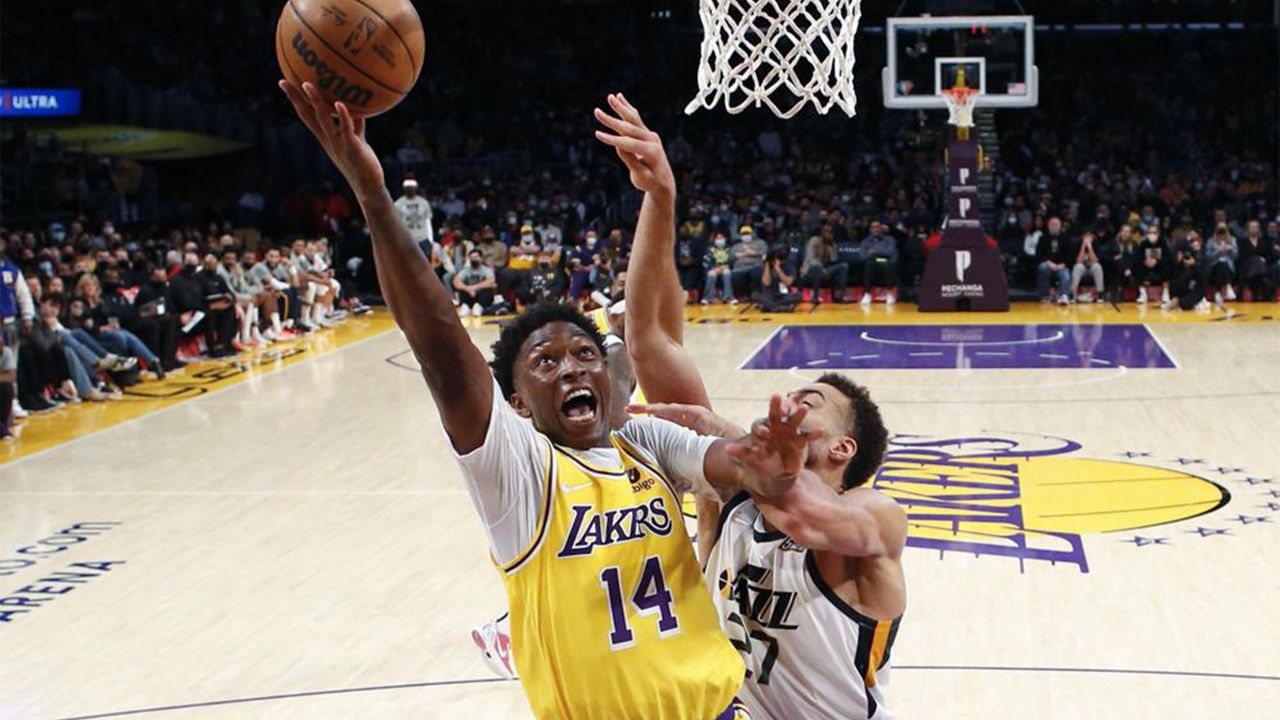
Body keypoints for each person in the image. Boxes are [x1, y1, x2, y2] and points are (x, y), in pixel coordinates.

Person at [277, 80, 815, 720]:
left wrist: (772, 464)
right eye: (546, 362)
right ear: (518, 403)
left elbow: (739, 465)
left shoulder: (646, 443)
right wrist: (373, 195)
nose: (570, 368)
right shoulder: (520, 473)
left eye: (585, 354)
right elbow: (442, 346)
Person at [599, 94, 907, 720]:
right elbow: (650, 340)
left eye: (810, 402)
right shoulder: (733, 497)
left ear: (843, 449)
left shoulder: (873, 518)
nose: (789, 402)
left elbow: (807, 521)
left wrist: (724, 437)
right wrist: (660, 199)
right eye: (790, 393)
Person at [801, 227, 850, 303]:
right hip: (809, 270)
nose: (828, 234)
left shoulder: (832, 244)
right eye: (826, 231)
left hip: (825, 271)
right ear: (822, 232)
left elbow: (834, 260)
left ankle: (840, 295)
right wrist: (821, 269)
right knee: (816, 266)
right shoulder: (814, 240)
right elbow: (810, 258)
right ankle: (815, 297)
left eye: (830, 232)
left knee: (843, 266)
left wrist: (830, 248)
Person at [1035, 217, 1074, 304]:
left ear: (1060, 226)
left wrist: (1062, 265)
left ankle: (1064, 296)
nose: (1054, 226)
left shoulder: (1066, 238)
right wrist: (1049, 263)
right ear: (1048, 226)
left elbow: (1071, 256)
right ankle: (1045, 296)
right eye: (1052, 224)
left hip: (1062, 266)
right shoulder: (1043, 238)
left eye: (1056, 224)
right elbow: (1038, 255)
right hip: (1048, 265)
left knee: (1066, 275)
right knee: (1042, 267)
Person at [859, 220, 899, 306]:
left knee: (887, 264)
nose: (875, 229)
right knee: (869, 264)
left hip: (886, 264)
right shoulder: (865, 242)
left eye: (877, 227)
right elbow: (862, 257)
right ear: (870, 229)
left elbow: (890, 253)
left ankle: (889, 294)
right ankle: (867, 294)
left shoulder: (890, 240)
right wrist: (880, 254)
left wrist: (873, 253)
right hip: (872, 264)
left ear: (881, 228)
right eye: (873, 227)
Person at [393, 176, 434, 255]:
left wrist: (430, 241)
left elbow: (428, 223)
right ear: (404, 189)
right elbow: (396, 225)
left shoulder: (424, 203)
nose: (410, 189)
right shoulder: (398, 204)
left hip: (423, 239)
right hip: (406, 241)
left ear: (416, 188)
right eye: (408, 188)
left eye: (412, 187)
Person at [1135, 224, 1172, 306]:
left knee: (1167, 265)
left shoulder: (1163, 242)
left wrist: (1157, 261)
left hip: (1159, 266)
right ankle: (1142, 293)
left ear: (1158, 234)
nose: (1152, 234)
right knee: (1136, 266)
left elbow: (1167, 256)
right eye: (1150, 232)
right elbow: (1138, 256)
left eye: (1154, 232)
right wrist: (1145, 261)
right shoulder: (1143, 243)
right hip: (1146, 266)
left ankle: (1166, 293)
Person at [452, 248, 496, 317]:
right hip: (469, 295)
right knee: (461, 289)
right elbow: (456, 281)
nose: (474, 259)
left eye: (476, 257)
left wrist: (474, 287)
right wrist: (467, 288)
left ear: (481, 258)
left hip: (481, 296)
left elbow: (491, 281)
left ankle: (479, 308)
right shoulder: (466, 270)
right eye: (471, 258)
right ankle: (466, 307)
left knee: (488, 290)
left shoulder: (486, 270)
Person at [730, 226, 767, 300]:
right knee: (735, 277)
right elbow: (732, 256)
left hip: (755, 265)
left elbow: (764, 255)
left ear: (752, 234)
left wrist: (754, 253)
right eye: (744, 234)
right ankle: (744, 295)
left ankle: (757, 294)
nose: (746, 236)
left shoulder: (760, 243)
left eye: (748, 233)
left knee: (756, 273)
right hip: (740, 268)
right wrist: (747, 253)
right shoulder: (736, 246)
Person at [1205, 224, 1238, 302]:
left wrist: (1230, 249)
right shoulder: (1210, 241)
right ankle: (1228, 287)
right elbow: (1208, 257)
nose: (1221, 235)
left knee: (1223, 265)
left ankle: (1219, 293)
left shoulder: (1232, 240)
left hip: (1229, 269)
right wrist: (1218, 251)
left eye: (1223, 232)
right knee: (1220, 265)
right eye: (1220, 232)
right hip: (1214, 268)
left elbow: (1235, 257)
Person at [1070, 229, 1105, 302]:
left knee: (1097, 266)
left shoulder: (1096, 244)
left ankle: (1100, 294)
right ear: (1082, 236)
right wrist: (1083, 245)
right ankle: (1072, 294)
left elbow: (1095, 261)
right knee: (1078, 266)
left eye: (1089, 235)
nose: (1087, 238)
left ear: (1093, 236)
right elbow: (1079, 260)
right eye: (1086, 235)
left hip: (1091, 268)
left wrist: (1090, 247)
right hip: (1082, 269)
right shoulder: (1077, 243)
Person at [702, 231, 734, 304]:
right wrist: (714, 268)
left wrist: (727, 266)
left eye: (721, 238)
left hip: (726, 268)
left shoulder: (729, 248)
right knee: (711, 274)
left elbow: (733, 260)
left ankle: (728, 297)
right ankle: (708, 298)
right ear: (714, 240)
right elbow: (706, 261)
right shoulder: (709, 249)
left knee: (727, 273)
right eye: (717, 238)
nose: (719, 240)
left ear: (725, 239)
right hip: (714, 269)